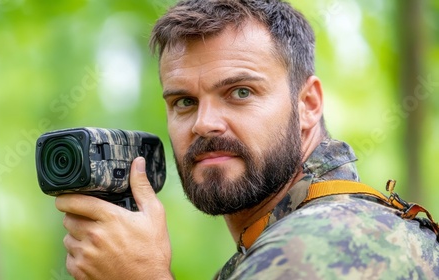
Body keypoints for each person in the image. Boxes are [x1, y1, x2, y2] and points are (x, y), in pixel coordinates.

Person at [55, 0, 439, 279]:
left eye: (240, 92)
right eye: (184, 101)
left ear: (307, 105)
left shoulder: (318, 246)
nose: (204, 124)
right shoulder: (312, 227)